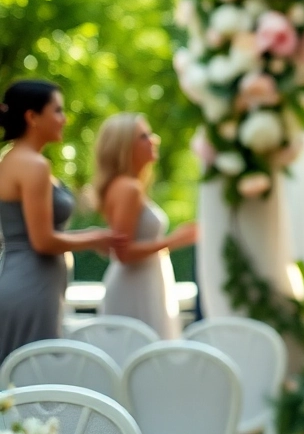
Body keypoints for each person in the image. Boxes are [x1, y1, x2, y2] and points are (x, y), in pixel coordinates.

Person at [0, 80, 120, 363]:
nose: (64, 119)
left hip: (26, 281)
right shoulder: (33, 165)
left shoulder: (12, 160)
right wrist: (95, 237)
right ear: (32, 117)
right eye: (57, 111)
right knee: (31, 378)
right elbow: (42, 241)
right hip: (31, 286)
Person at [94, 113, 198, 338]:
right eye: (144, 136)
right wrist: (173, 240)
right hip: (134, 288)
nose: (154, 140)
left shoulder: (129, 186)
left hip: (146, 282)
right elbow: (123, 252)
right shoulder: (128, 188)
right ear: (123, 146)